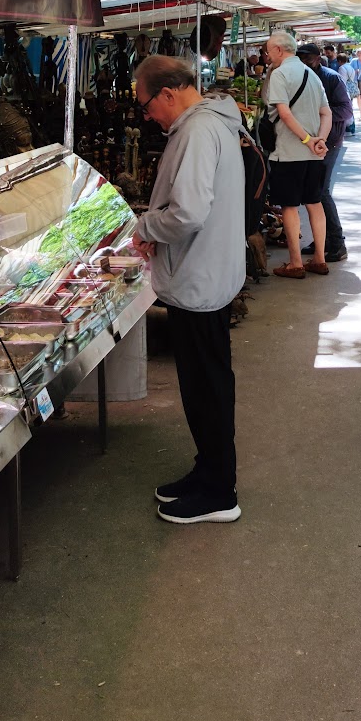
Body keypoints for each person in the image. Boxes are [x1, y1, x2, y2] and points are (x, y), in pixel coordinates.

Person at [130, 55, 246, 525]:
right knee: (204, 384)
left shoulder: (197, 132)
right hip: (207, 272)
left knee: (206, 387)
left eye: (146, 106)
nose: (146, 115)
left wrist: (146, 225)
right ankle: (208, 471)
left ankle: (219, 491)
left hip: (200, 276)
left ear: (168, 94)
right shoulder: (210, 123)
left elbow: (189, 213)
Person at [262, 30, 331, 278]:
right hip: (314, 155)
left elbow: (284, 113)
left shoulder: (280, 74)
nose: (267, 56)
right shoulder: (312, 74)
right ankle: (320, 259)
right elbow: (327, 113)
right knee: (314, 203)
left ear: (279, 50)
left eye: (269, 51)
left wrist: (306, 140)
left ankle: (295, 263)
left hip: (289, 152)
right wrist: (319, 140)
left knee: (290, 206)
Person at [296, 41, 351, 263]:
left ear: (318, 58)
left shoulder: (331, 78)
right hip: (309, 141)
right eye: (299, 58)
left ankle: (337, 243)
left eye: (307, 58)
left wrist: (320, 114)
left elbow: (346, 110)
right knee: (313, 192)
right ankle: (323, 240)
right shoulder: (299, 76)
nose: (302, 62)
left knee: (321, 191)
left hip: (329, 141)